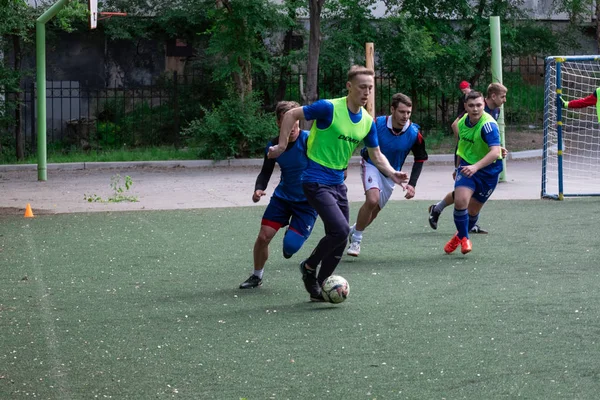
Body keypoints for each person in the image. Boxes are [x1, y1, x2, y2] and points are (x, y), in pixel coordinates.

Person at [267, 65, 409, 302]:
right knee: (341, 230)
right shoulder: (328, 107)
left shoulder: (366, 121)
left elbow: (376, 154)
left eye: (370, 88)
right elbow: (292, 115)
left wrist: (393, 173)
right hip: (314, 179)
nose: (366, 92)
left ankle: (320, 288)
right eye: (362, 87)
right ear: (349, 86)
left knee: (340, 239)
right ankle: (309, 267)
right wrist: (282, 146)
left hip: (337, 183)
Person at [239, 101, 318, 289]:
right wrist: (258, 188)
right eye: (286, 122)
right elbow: (266, 171)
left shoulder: (309, 141)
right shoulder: (273, 146)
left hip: (307, 203)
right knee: (263, 237)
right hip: (283, 198)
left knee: (290, 247)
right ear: (278, 123)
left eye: (295, 122)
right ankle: (256, 275)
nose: (291, 127)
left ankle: (291, 237)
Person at [346, 93, 428, 257]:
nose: (405, 116)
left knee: (374, 211)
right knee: (372, 199)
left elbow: (420, 158)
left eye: (408, 113)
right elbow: (351, 141)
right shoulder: (376, 124)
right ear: (392, 110)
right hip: (371, 164)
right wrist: (343, 165)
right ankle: (356, 240)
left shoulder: (414, 133)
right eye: (402, 112)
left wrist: (412, 184)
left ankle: (353, 230)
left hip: (392, 174)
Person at [428, 82, 508, 233]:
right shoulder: (473, 110)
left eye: (478, 105)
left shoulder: (495, 111)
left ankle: (438, 209)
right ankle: (461, 226)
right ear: (492, 96)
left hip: (482, 160)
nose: (504, 100)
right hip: (467, 156)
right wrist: (470, 144)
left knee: (467, 194)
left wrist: (495, 148)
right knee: (463, 194)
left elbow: (487, 139)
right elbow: (455, 125)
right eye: (502, 96)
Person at [444, 90, 503, 254]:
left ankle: (457, 238)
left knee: (473, 211)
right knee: (460, 201)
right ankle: (465, 239)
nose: (475, 109)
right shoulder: (462, 122)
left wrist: (476, 167)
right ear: (465, 107)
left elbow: (494, 152)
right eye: (471, 105)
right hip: (467, 167)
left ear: (484, 104)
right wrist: (458, 168)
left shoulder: (488, 125)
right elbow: (461, 148)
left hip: (488, 172)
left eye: (478, 105)